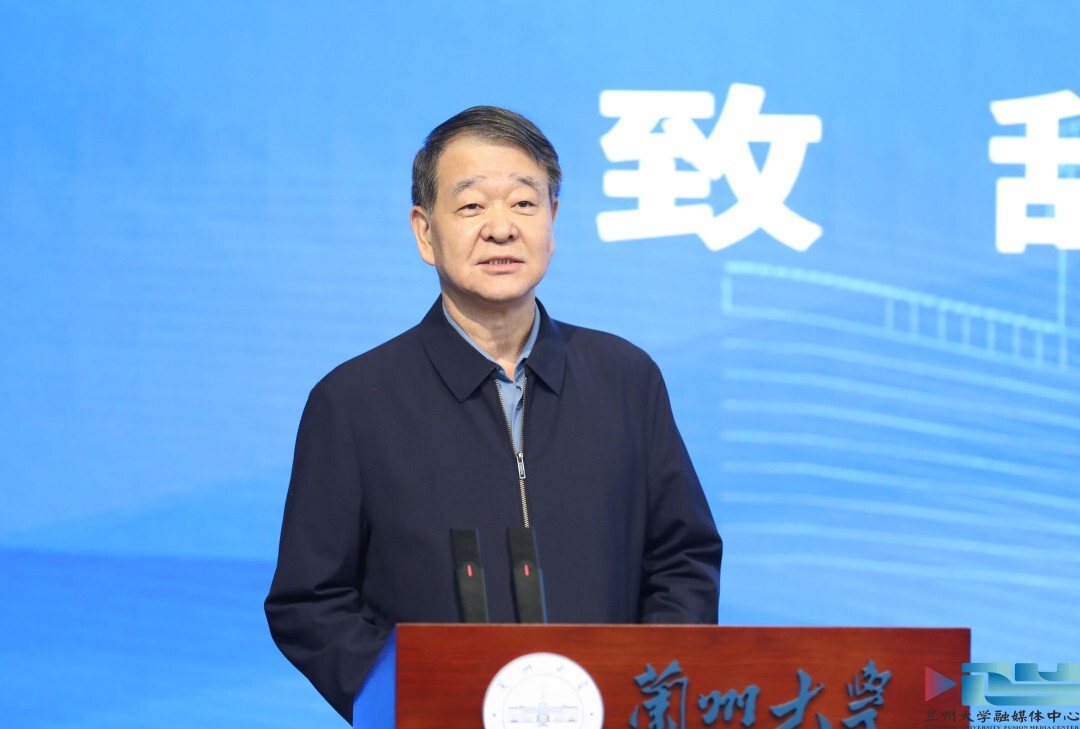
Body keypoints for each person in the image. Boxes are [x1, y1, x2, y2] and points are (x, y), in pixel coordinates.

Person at [264, 106, 722, 723]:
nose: (501, 228)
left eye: (524, 203)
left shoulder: (625, 379)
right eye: (472, 205)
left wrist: (640, 688)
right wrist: (416, 699)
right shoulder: (353, 402)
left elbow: (682, 559)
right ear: (425, 232)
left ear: (553, 221)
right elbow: (311, 602)